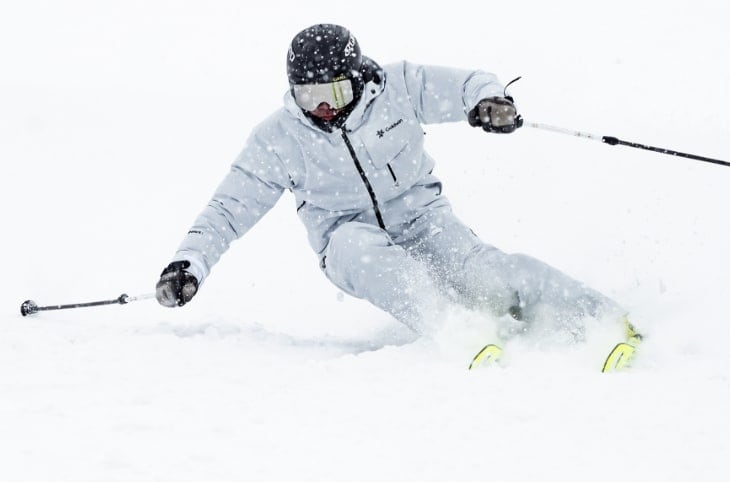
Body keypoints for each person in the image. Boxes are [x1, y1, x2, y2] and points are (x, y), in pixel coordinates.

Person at [155, 23, 626, 341]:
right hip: (346, 239)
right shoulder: (278, 139)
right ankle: (459, 332)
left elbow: (469, 83)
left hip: (426, 222)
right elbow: (228, 208)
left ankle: (601, 319)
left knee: (488, 277)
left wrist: (488, 101)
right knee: (359, 247)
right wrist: (189, 263)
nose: (324, 107)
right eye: (309, 96)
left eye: (334, 92)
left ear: (356, 78)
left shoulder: (397, 87)